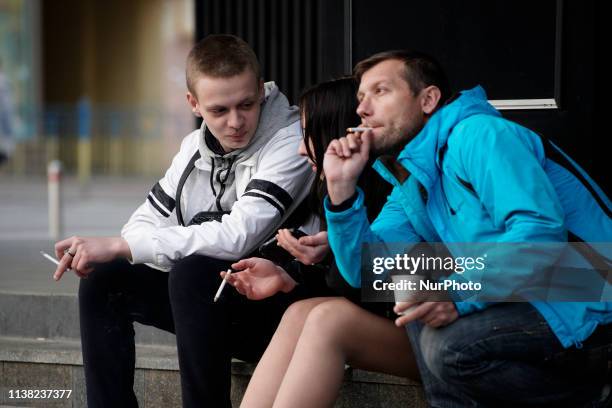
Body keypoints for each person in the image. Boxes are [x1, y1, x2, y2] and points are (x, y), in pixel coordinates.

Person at [321, 50, 612, 406]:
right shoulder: (412, 177)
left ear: (428, 99)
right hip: (531, 286)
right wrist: (341, 192)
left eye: (380, 92)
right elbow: (369, 272)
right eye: (361, 98)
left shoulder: (479, 135)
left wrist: (459, 293)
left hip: (590, 280)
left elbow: (539, 236)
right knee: (408, 283)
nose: (362, 110)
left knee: (447, 347)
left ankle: (589, 397)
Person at [52, 34, 316, 407]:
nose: (236, 122)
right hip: (211, 307)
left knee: (193, 272)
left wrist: (128, 246)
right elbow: (144, 221)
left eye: (246, 104)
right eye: (219, 111)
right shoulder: (194, 147)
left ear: (261, 90)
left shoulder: (291, 142)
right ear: (193, 104)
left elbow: (238, 236)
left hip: (276, 311)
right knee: (105, 276)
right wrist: (126, 247)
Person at [220, 77, 419, 408]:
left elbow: (387, 278)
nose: (301, 148)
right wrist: (298, 273)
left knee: (327, 319)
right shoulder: (389, 184)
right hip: (422, 323)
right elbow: (371, 274)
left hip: (461, 329)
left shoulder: (477, 144)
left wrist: (332, 256)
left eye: (309, 133)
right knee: (301, 312)